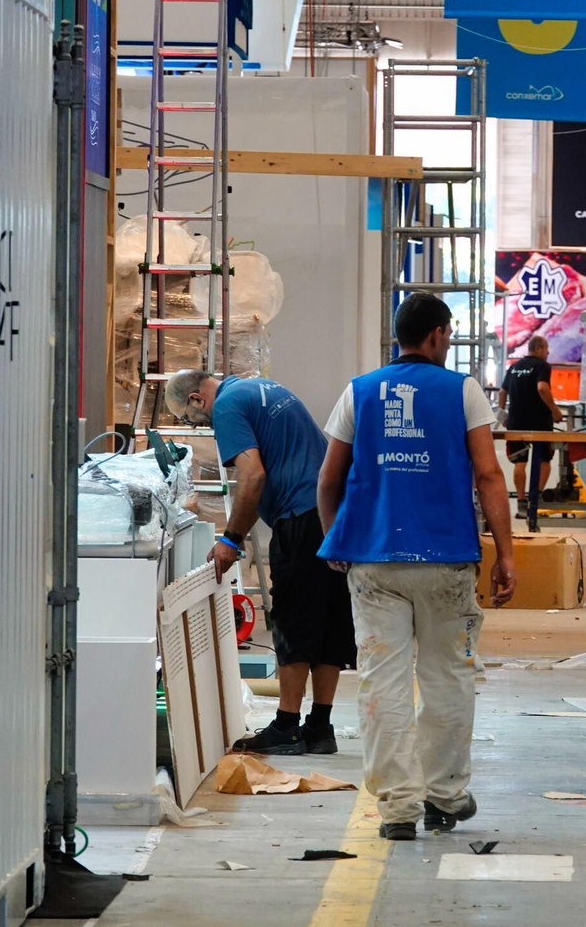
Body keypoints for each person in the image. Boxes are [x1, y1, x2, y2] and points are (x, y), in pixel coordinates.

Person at [316, 292, 517, 842]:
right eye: (448, 335)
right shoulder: (462, 392)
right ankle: (444, 795)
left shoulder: (359, 392)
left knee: (382, 681)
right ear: (436, 335)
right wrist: (506, 552)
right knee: (448, 677)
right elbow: (489, 475)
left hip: (374, 560)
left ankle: (398, 808)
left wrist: (336, 537)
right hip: (447, 559)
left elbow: (329, 478)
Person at [165, 369, 351, 755]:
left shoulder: (228, 406)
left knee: (294, 622)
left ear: (198, 399)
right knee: (329, 621)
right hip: (333, 515)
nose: (198, 425)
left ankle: (286, 727)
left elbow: (253, 477)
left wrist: (230, 540)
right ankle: (319, 727)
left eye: (189, 418)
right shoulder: (259, 386)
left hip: (301, 519)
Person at [499, 335, 563, 517]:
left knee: (520, 462)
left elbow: (503, 392)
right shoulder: (542, 366)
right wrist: (555, 411)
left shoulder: (514, 366)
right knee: (544, 461)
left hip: (516, 423)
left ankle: (521, 503)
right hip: (539, 423)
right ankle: (537, 499)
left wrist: (503, 415)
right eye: (546, 349)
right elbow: (542, 388)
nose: (548, 352)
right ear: (537, 349)